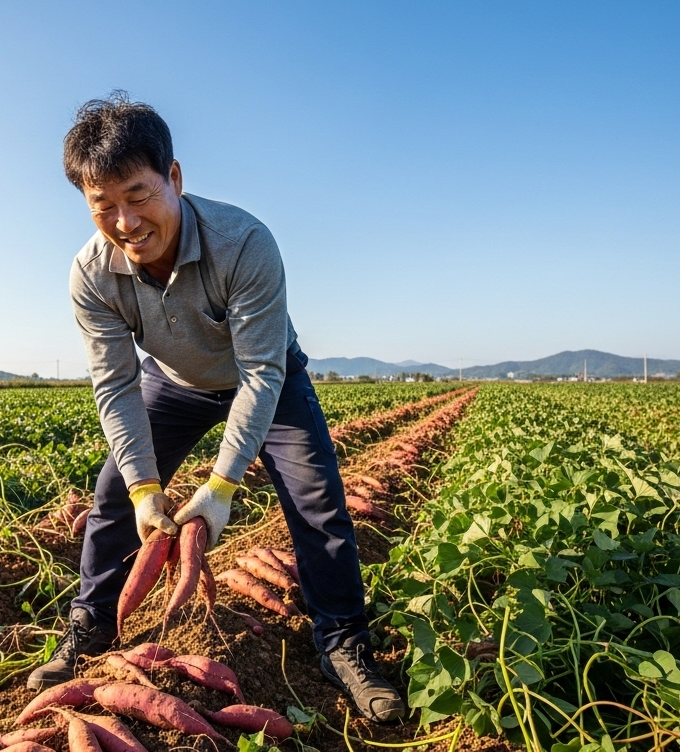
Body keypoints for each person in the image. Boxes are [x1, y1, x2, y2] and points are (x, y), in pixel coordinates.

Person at [25, 92, 407, 723]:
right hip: (174, 382)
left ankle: (344, 644)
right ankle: (89, 626)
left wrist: (222, 486)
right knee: (115, 492)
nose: (124, 222)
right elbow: (116, 387)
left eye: (138, 195)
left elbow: (261, 371)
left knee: (316, 501)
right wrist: (149, 490)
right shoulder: (91, 274)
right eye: (103, 207)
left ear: (174, 178)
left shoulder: (244, 243)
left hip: (267, 377)